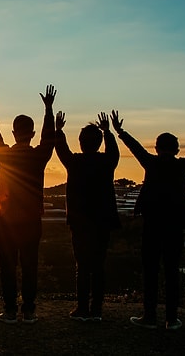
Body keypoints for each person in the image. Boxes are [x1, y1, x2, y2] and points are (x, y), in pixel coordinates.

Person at [111, 111, 185, 330]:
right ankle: (171, 318)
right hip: (175, 226)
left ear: (156, 148)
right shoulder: (182, 166)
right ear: (176, 149)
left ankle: (149, 316)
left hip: (152, 224)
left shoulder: (151, 163)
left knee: (150, 270)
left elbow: (135, 147)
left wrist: (120, 131)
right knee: (172, 270)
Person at [0, 84, 55, 324]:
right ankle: (29, 311)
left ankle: (11, 310)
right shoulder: (39, 156)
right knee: (30, 265)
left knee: (8, 266)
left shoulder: (5, 154)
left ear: (14, 133)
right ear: (31, 133)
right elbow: (49, 138)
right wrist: (48, 109)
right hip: (32, 219)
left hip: (6, 219)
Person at [55, 111, 120, 322]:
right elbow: (114, 152)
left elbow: (61, 149)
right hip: (102, 221)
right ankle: (97, 310)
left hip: (80, 222)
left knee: (82, 266)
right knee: (99, 265)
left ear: (81, 143)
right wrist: (108, 132)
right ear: (99, 143)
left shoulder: (75, 162)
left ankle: (82, 308)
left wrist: (58, 130)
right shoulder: (107, 162)